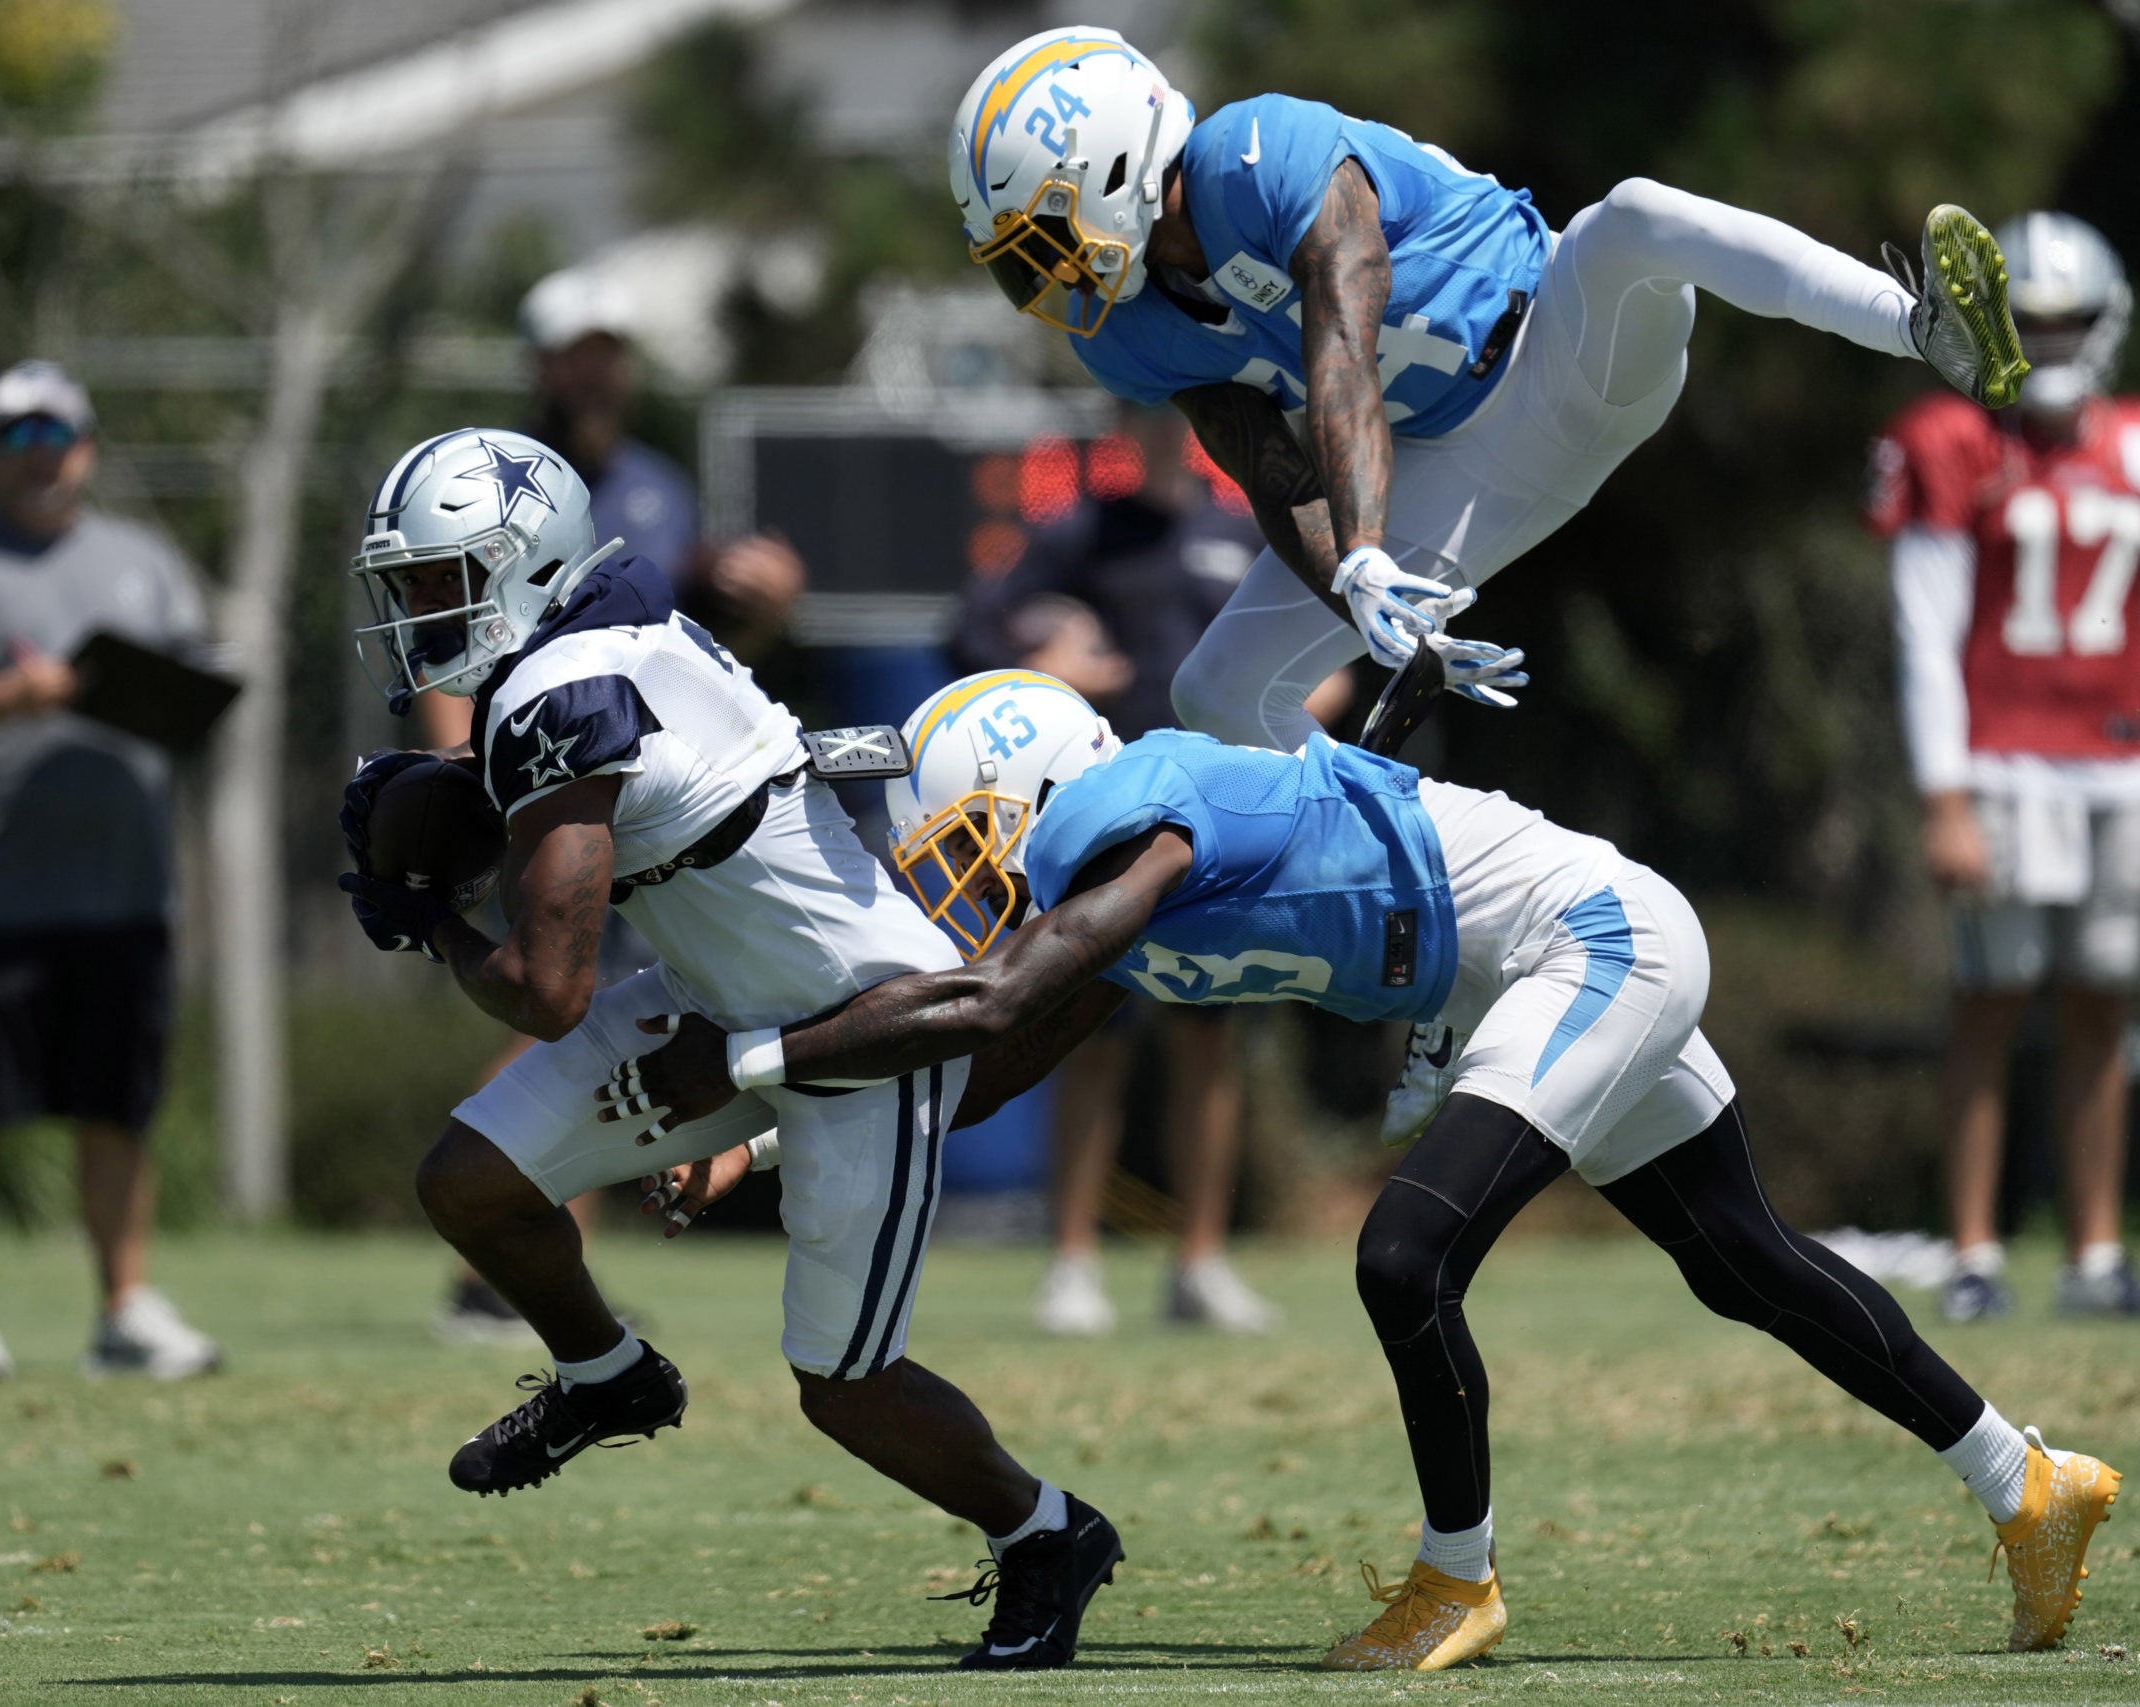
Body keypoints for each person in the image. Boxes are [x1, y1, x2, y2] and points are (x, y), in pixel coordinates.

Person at [605, 670, 2122, 1670]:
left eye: (954, 837)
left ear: (1033, 790)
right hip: (1530, 967)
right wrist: (766, 1138)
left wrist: (743, 1067)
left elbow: (994, 1002)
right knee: (1743, 1256)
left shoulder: (1132, 812)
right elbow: (996, 1054)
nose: (942, 874)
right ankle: (2029, 1477)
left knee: (1404, 1253)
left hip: (1586, 937)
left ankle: (1456, 1576)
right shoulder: (1110, 876)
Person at [950, 24, 2031, 1136]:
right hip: (1461, 470)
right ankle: (1437, 940)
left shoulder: (1251, 154)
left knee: (1634, 218)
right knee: (1215, 693)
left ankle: (1919, 328)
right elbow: (1270, 469)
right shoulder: (1129, 333)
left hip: (1562, 343)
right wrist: (1356, 594)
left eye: (1045, 233)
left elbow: (1343, 338)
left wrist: (1366, 545)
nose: (1042, 273)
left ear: (1118, 164)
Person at [336, 430, 1121, 1670]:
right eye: (414, 584)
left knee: (843, 1384)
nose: (425, 610)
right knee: (470, 1181)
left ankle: (1045, 1531)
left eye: (446, 578)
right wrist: (443, 800)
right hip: (712, 995)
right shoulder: (586, 649)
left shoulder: (565, 689)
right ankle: (608, 1377)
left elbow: (545, 988)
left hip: (863, 1023)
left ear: (528, 563)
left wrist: (426, 913)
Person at [413, 270, 810, 1341]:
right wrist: (460, 784)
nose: (593, 370)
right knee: (561, 1003)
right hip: (543, 783)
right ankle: (495, 1245)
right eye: (573, 350)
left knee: (585, 1009)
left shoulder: (659, 488)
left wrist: (760, 609)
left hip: (650, 806)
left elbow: (682, 662)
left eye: (609, 349)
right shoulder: (490, 482)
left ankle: (519, 1249)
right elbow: (443, 636)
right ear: (540, 363)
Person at [0, 360, 222, 1384]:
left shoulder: (143, 562)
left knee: (118, 1104)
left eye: (53, 437)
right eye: (15, 438)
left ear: (87, 448)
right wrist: (15, 695)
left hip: (124, 890)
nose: (36, 458)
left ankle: (123, 1307)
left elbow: (195, 679)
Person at [1868, 210, 2140, 1322]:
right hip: (2002, 763)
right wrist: (1944, 795)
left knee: (2101, 1007)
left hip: (2118, 767)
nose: (2049, 342)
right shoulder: (1950, 439)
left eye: (2067, 323)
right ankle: (1975, 1249)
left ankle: (2091, 1252)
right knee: (1989, 1000)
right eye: (2026, 322)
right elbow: (1922, 632)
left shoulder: (2130, 443)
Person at [953, 409, 1280, 1335]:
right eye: (1153, 405)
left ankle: (1201, 1263)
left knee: (1209, 1043)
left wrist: (1317, 689)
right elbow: (968, 633)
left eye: (1189, 406)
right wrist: (1045, 667)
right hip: (1103, 821)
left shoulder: (1240, 531)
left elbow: (1305, 647)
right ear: (1126, 420)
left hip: (1218, 821)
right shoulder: (1080, 532)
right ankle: (1072, 1264)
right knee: (1087, 1037)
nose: (1172, 423)